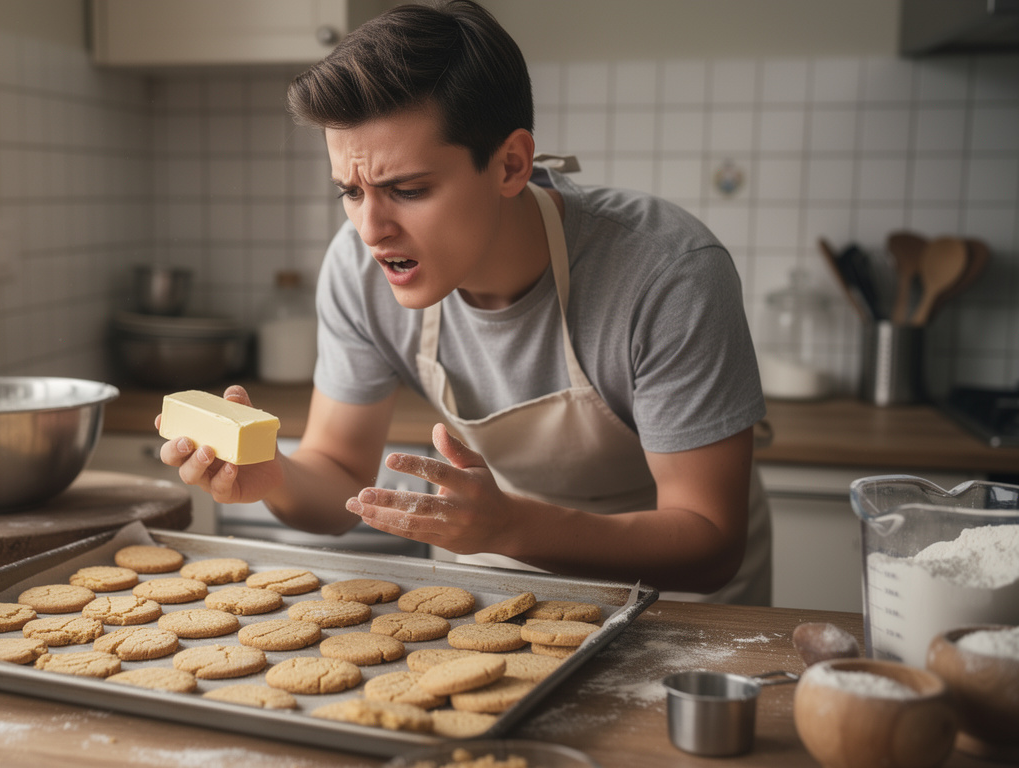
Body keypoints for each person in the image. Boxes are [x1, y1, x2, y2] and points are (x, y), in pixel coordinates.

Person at [158, 0, 772, 604]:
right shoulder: (358, 266)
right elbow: (341, 475)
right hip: (501, 577)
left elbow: (709, 541)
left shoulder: (666, 272)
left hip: (678, 607)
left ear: (510, 165)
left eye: (408, 189)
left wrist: (512, 528)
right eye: (350, 191)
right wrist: (275, 477)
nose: (371, 229)